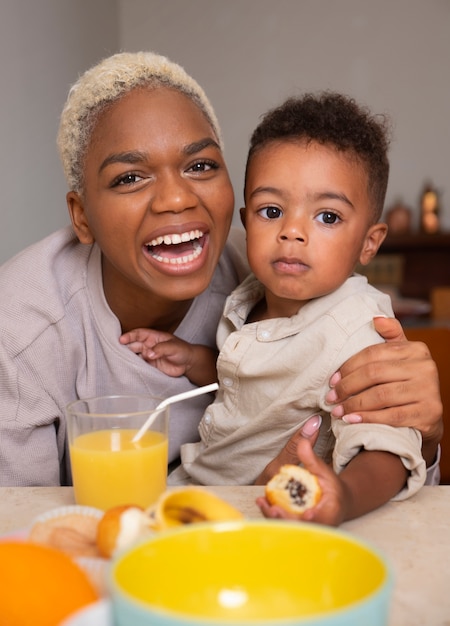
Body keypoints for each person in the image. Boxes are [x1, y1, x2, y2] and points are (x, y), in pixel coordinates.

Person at [0, 52, 442, 488]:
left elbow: (385, 460)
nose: (176, 199)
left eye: (200, 165)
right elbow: (17, 529)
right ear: (82, 217)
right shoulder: (22, 325)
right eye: (130, 177)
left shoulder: (276, 274)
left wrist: (420, 434)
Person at [122, 93, 427, 523]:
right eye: (271, 211)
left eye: (328, 217)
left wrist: (343, 494)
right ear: (247, 223)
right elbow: (259, 385)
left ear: (369, 243)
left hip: (268, 519)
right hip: (198, 493)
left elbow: (387, 447)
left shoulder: (360, 329)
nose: (292, 231)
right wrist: (196, 359)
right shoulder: (252, 296)